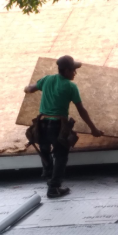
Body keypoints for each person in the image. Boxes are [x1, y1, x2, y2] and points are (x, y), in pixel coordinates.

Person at [24, 55, 103, 198]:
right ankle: (54, 188)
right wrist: (93, 129)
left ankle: (49, 177)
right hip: (57, 126)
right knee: (61, 156)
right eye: (73, 70)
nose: (75, 73)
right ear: (66, 70)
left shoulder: (47, 79)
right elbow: (81, 110)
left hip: (41, 125)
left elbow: (30, 89)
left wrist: (26, 89)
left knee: (45, 151)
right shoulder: (70, 86)